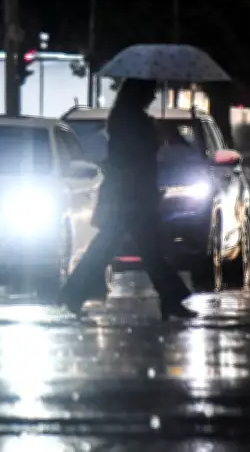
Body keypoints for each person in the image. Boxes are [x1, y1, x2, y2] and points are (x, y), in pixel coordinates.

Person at [58, 79, 196, 321]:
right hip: (131, 196)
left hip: (127, 194)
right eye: (150, 92)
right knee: (142, 248)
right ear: (139, 94)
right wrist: (157, 137)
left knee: (116, 247)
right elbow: (132, 160)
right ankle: (171, 298)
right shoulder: (132, 122)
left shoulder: (124, 119)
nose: (153, 97)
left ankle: (74, 293)